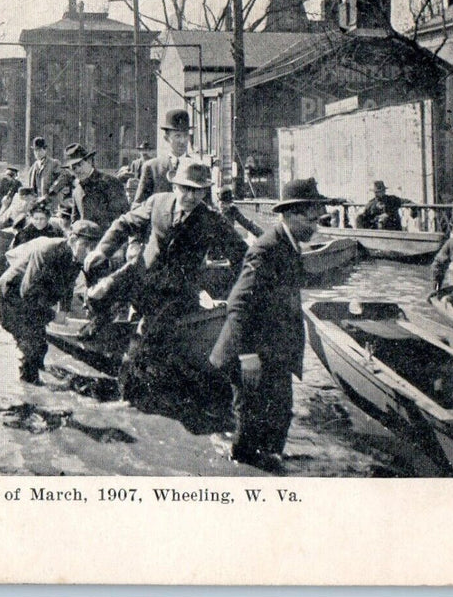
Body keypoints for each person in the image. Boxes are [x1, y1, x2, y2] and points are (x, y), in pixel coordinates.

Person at [84, 160, 249, 395]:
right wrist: (102, 250)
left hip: (174, 293)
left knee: (142, 342)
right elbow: (124, 224)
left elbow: (242, 256)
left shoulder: (211, 220)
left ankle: (126, 391)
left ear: (204, 191)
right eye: (186, 189)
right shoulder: (157, 202)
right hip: (140, 274)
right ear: (174, 187)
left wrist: (230, 292)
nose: (191, 196)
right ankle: (99, 334)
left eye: (198, 190)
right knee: (98, 294)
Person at [209, 178, 335, 471]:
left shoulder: (290, 246)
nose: (316, 227)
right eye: (311, 220)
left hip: (275, 352)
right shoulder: (265, 249)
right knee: (250, 422)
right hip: (249, 353)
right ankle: (242, 473)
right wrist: (248, 356)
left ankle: (270, 464)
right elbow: (238, 305)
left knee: (279, 415)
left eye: (318, 220)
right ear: (290, 214)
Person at [0, 220, 103, 385]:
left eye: (94, 246)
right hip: (12, 299)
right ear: (72, 239)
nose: (89, 251)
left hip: (33, 301)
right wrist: (52, 315)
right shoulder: (48, 251)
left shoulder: (76, 257)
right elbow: (28, 291)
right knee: (32, 346)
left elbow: (68, 284)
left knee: (39, 346)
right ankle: (28, 391)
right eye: (85, 244)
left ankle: (36, 379)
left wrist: (64, 310)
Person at [134, 108, 195, 204]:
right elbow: (138, 205)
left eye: (186, 135)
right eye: (177, 136)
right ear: (166, 138)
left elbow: (207, 208)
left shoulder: (198, 167)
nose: (182, 141)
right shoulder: (152, 167)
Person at [64, 143, 129, 231]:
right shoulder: (77, 191)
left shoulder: (109, 182)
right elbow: (75, 221)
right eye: (73, 168)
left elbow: (122, 217)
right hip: (85, 242)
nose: (77, 170)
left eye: (80, 164)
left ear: (89, 161)